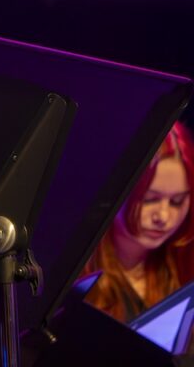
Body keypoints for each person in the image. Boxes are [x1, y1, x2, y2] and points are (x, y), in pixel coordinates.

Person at [82, 121, 194, 322]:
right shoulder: (78, 266)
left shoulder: (183, 264)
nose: (163, 216)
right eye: (150, 199)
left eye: (177, 202)